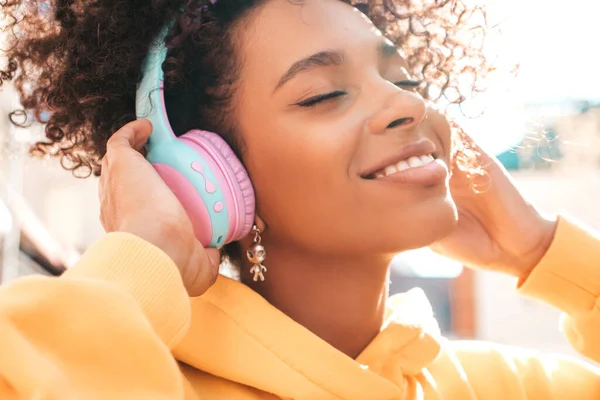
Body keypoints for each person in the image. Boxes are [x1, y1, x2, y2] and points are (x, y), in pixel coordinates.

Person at [1, 0, 599, 399]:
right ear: (206, 172)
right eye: (324, 94)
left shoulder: (496, 386)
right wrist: (147, 254)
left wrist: (539, 248)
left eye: (402, 79)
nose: (408, 104)